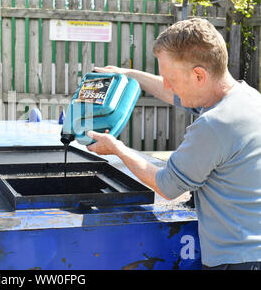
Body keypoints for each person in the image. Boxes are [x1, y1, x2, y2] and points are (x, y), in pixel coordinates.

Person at [86, 18, 261, 270]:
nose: (168, 85)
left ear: (199, 75)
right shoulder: (247, 97)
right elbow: (176, 94)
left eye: (171, 78)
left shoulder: (214, 125)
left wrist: (116, 148)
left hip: (236, 261)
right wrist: (129, 74)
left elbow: (168, 185)